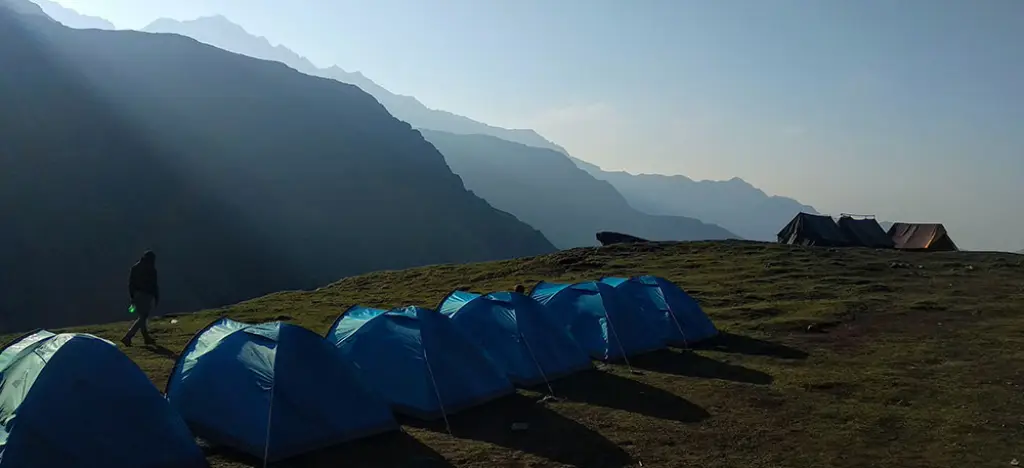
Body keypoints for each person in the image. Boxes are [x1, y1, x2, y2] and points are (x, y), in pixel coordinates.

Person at [122, 250, 159, 347]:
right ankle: (128, 336)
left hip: (137, 295)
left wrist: (132, 296)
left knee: (142, 316)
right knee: (143, 317)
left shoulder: (135, 268)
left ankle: (146, 338)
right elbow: (154, 285)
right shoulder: (151, 269)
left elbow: (131, 283)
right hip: (146, 295)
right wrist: (156, 296)